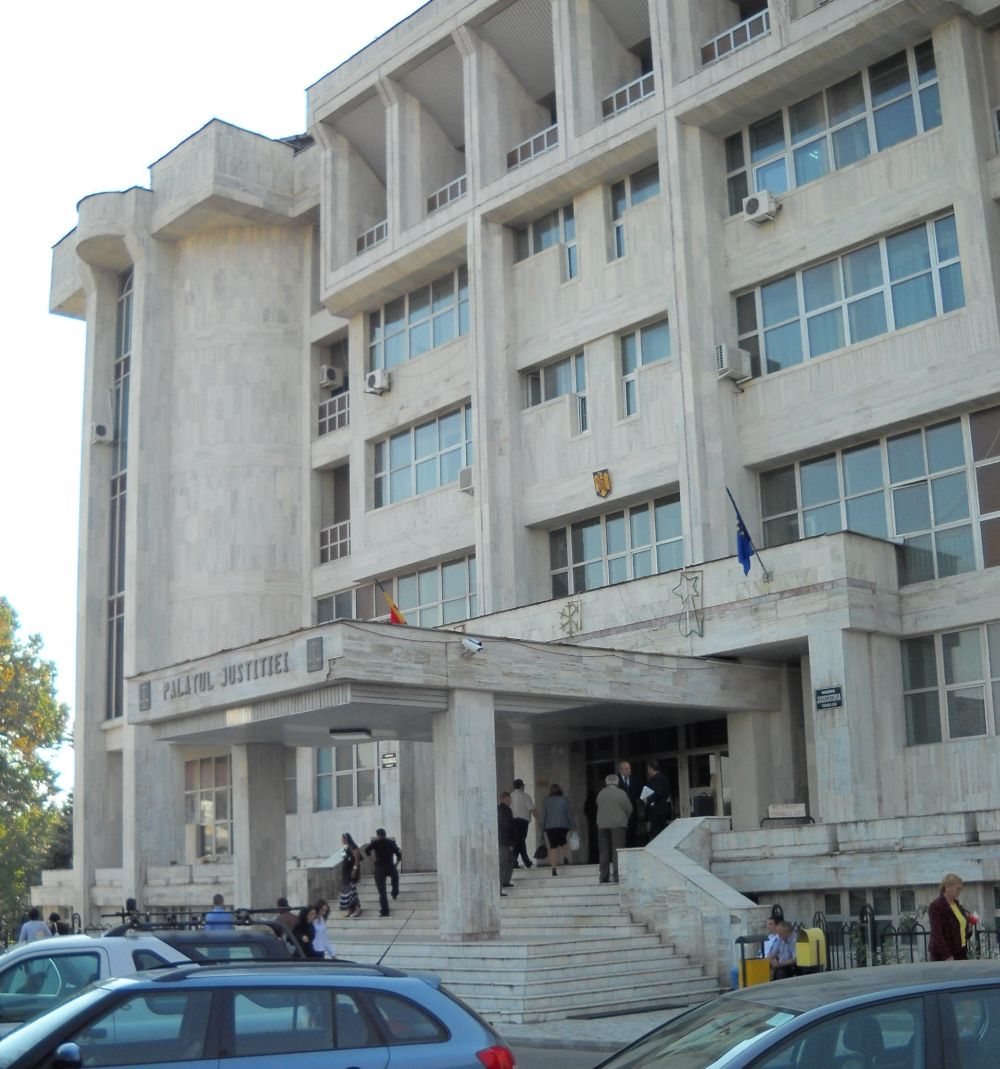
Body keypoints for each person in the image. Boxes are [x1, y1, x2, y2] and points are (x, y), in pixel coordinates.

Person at [929, 872, 978, 961]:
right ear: (947, 888)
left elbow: (961, 931)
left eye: (960, 889)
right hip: (944, 955)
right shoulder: (936, 906)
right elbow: (937, 934)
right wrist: (947, 955)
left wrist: (969, 928)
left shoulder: (957, 905)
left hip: (961, 952)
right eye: (957, 889)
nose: (959, 892)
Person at [595, 773, 633, 883]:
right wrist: (625, 818)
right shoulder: (621, 793)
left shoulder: (600, 794)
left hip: (602, 825)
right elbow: (629, 808)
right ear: (617, 782)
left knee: (604, 851)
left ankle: (603, 876)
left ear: (606, 783)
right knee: (617, 851)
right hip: (618, 824)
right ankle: (617, 875)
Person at [364, 828, 403, 916]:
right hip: (390, 865)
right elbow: (399, 855)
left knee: (382, 892)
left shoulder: (375, 843)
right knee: (395, 878)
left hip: (379, 867)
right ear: (385, 835)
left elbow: (366, 850)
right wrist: (395, 865)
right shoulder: (391, 843)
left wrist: (372, 860)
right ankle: (395, 893)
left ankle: (385, 911)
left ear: (378, 835)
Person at [541, 783, 575, 876]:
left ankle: (553, 867)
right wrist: (573, 825)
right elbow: (569, 813)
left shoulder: (546, 801)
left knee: (553, 846)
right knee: (563, 841)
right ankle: (565, 856)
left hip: (550, 827)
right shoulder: (564, 799)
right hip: (563, 825)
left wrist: (542, 828)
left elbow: (544, 815)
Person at [510, 779, 539, 869]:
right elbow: (532, 809)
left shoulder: (510, 796)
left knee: (517, 842)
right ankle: (526, 862)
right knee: (520, 841)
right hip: (522, 822)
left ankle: (515, 862)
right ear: (522, 786)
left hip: (512, 822)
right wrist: (538, 819)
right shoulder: (525, 796)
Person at [644, 759, 673, 840]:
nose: (648, 771)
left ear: (651, 768)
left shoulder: (657, 779)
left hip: (657, 811)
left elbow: (658, 793)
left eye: (648, 769)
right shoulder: (662, 778)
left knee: (656, 834)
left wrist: (648, 799)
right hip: (661, 810)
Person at [617, 761, 643, 847]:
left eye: (629, 768)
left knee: (633, 836)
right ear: (621, 770)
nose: (629, 770)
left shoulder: (634, 780)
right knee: (623, 838)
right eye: (626, 769)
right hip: (621, 814)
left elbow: (640, 793)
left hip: (633, 813)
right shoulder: (616, 781)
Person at [338, 833, 363, 918]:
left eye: (343, 838)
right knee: (346, 892)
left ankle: (357, 909)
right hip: (345, 872)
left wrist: (354, 870)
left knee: (352, 891)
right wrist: (341, 874)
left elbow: (357, 859)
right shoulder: (345, 848)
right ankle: (349, 909)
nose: (341, 840)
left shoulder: (353, 846)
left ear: (346, 838)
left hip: (351, 872)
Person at [497, 792, 515, 895]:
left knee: (510, 861)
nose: (510, 801)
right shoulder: (506, 811)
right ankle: (500, 887)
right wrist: (512, 841)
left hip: (502, 841)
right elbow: (508, 826)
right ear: (504, 799)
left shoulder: (498, 810)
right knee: (503, 865)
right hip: (505, 842)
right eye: (509, 799)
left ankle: (505, 881)